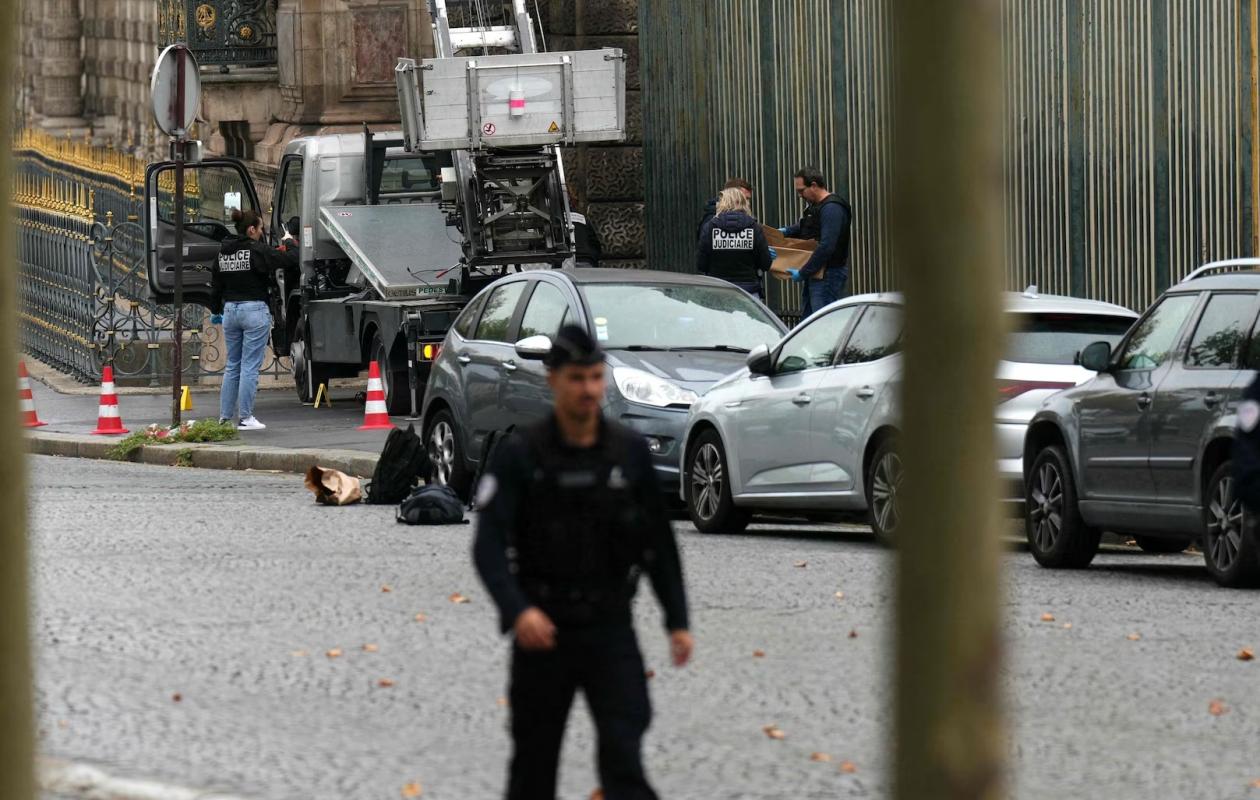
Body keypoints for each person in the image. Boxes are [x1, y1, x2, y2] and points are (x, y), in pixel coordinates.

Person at [473, 325, 693, 800]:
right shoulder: (521, 454)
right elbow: (488, 544)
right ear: (554, 380)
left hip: (609, 626)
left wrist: (678, 620)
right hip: (543, 628)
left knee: (623, 756)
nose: (589, 389)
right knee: (533, 765)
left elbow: (658, 543)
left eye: (596, 377)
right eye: (577, 378)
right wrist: (518, 611)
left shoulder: (628, 452)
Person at [210, 208, 297, 430]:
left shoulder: (223, 252)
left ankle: (224, 417)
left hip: (230, 311)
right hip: (254, 310)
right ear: (251, 229)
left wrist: (215, 310)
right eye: (260, 228)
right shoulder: (256, 250)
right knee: (249, 367)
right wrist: (289, 242)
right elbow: (290, 259)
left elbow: (216, 285)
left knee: (232, 366)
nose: (261, 233)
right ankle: (246, 417)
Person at [779, 167, 852, 318]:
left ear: (813, 185)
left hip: (827, 274)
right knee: (810, 323)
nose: (800, 195)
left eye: (801, 191)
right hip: (817, 273)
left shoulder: (832, 208)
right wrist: (786, 231)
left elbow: (826, 246)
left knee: (822, 322)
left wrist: (803, 272)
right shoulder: (817, 207)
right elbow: (808, 225)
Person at [696, 187, 773, 298]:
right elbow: (766, 264)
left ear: (722, 203)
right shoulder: (754, 227)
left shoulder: (710, 228)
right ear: (743, 202)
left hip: (718, 289)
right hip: (748, 292)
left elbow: (701, 264)